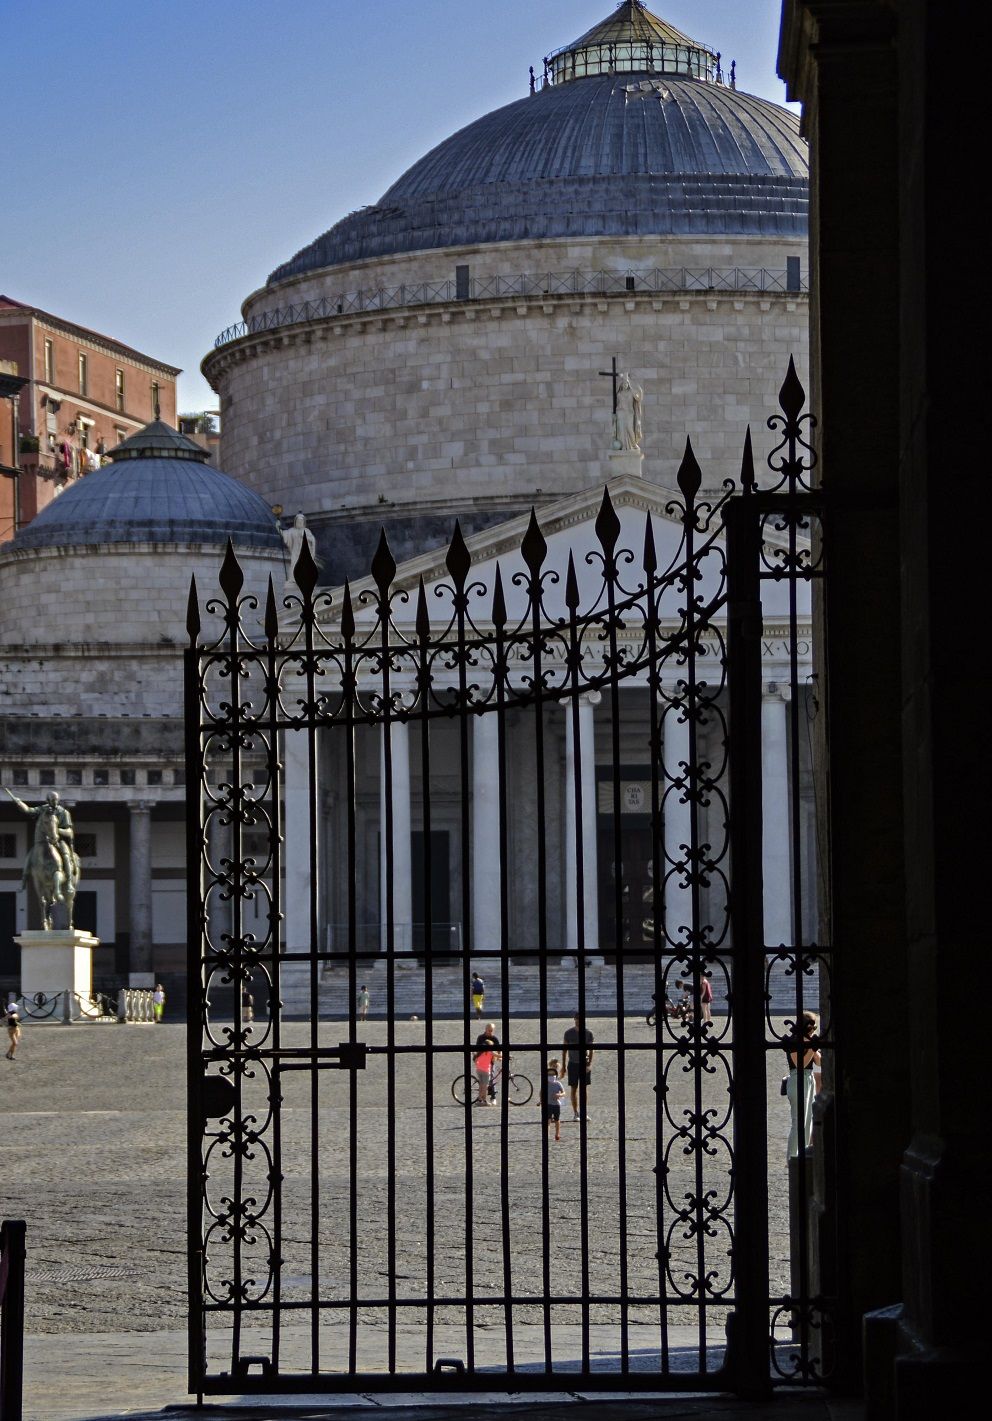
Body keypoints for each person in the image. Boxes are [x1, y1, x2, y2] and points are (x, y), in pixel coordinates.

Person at [786, 1011, 821, 1159]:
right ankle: (792, 1157)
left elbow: (819, 1062)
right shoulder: (794, 1041)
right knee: (798, 1121)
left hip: (809, 1078)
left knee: (808, 1120)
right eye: (811, 1027)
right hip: (797, 1078)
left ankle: (803, 1154)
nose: (813, 1030)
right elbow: (800, 1065)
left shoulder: (809, 1040)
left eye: (815, 1027)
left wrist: (814, 1048)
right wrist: (812, 1048)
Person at [560, 1014, 594, 1121]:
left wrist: (589, 1063)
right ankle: (576, 1113)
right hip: (573, 1064)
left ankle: (584, 1112)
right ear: (574, 1019)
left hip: (584, 1063)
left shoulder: (588, 1033)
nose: (579, 1021)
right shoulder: (568, 1033)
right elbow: (564, 1050)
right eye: (578, 1019)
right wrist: (564, 1065)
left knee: (584, 1089)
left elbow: (592, 1049)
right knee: (574, 1088)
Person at [473, 1022, 501, 1105]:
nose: (490, 1032)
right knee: (487, 1082)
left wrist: (499, 1056)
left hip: (489, 1062)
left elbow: (499, 1049)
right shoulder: (481, 1038)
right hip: (483, 1064)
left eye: (492, 1030)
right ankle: (487, 1098)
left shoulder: (494, 1038)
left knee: (490, 1079)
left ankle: (490, 1097)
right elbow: (477, 1049)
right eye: (489, 1030)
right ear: (485, 1029)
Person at [539, 1057, 566, 1141]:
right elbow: (541, 1092)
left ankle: (557, 1134)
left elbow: (564, 1093)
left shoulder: (558, 1083)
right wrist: (541, 1101)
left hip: (556, 1104)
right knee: (548, 1120)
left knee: (557, 1120)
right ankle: (546, 1135)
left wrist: (559, 1095)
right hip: (548, 1104)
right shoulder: (545, 1083)